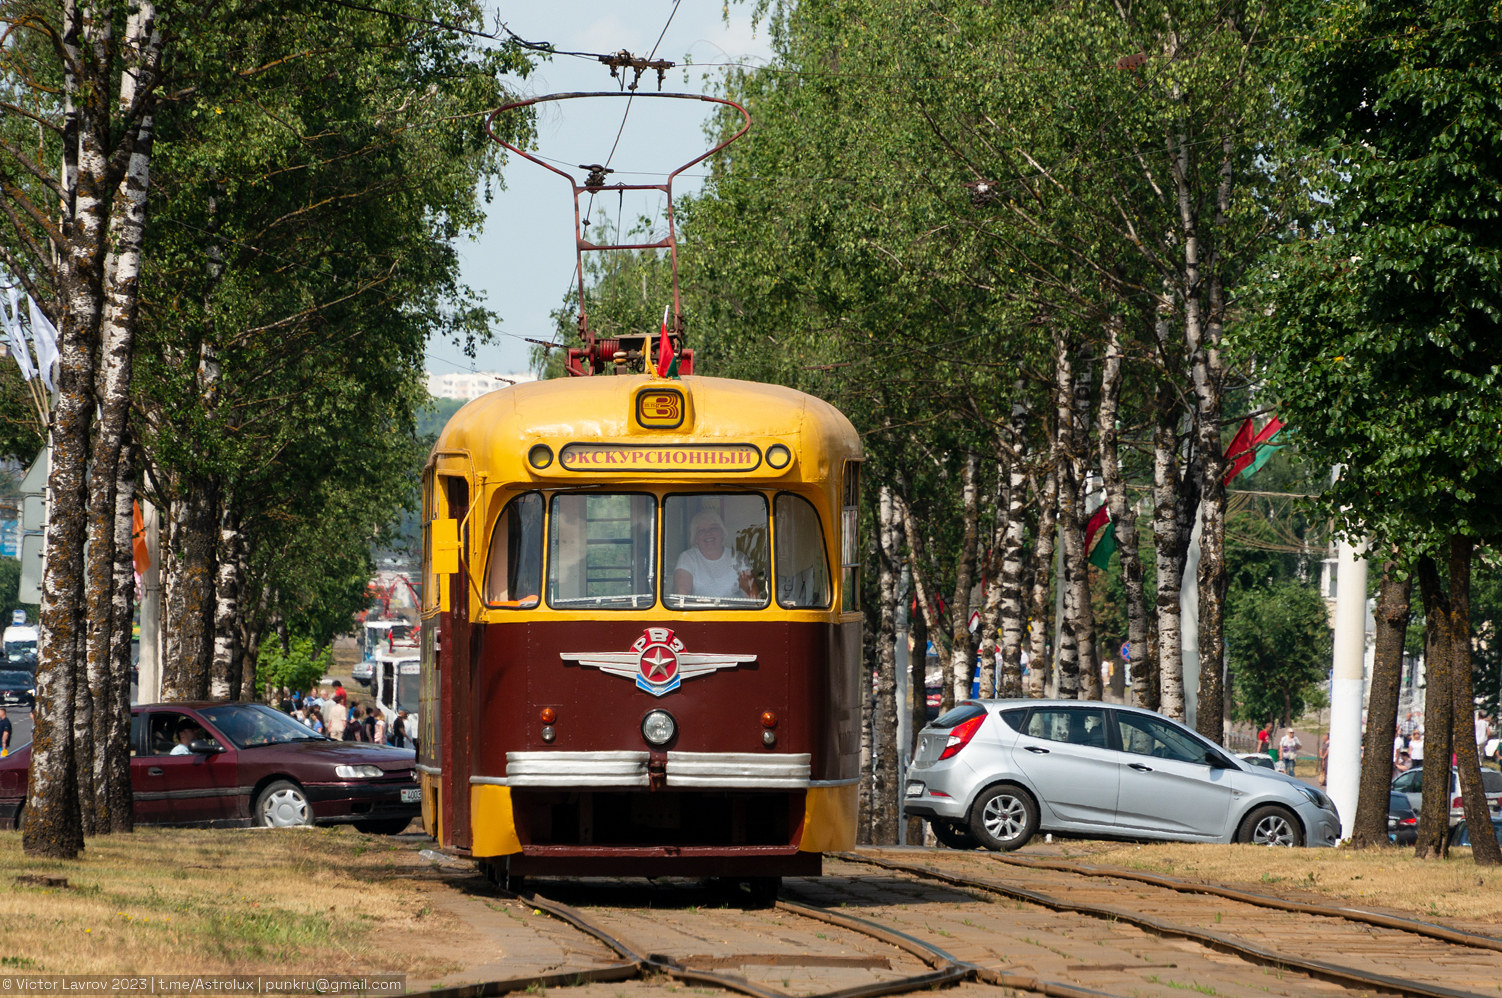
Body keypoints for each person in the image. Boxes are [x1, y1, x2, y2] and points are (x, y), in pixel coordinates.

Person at [673, 511, 757, 599]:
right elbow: (682, 594)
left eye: (713, 528)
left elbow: (751, 594)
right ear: (695, 538)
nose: (708, 533)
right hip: (699, 612)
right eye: (701, 531)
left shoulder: (738, 557)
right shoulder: (687, 558)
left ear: (722, 533)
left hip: (733, 612)